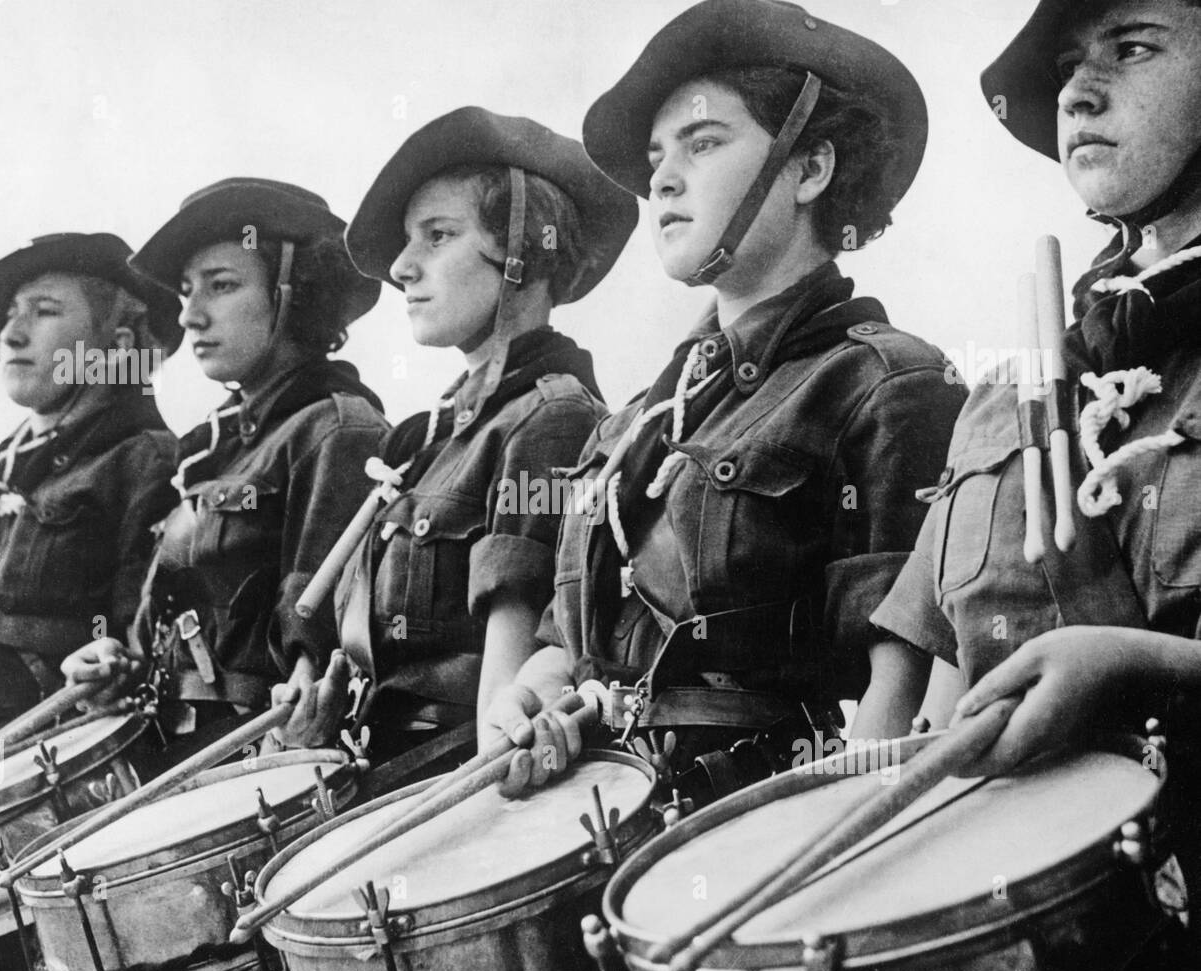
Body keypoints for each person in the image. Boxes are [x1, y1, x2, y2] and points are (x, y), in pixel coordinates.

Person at [481, 0, 966, 803]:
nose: (662, 178)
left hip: (765, 834)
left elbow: (901, 696)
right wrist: (526, 698)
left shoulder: (889, 385)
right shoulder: (635, 420)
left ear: (810, 169)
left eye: (703, 143)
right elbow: (565, 649)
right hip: (610, 817)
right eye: (655, 156)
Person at [864, 0, 1201, 944]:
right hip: (1008, 920)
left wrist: (1139, 665)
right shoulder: (1011, 386)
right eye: (1067, 65)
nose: (1080, 91)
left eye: (1133, 49)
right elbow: (916, 713)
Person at [326, 107, 637, 770]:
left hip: (450, 787)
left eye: (437, 235)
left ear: (526, 252)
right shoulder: (432, 440)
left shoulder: (549, 419)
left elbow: (506, 714)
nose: (403, 267)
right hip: (376, 773)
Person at [61, 179, 389, 765]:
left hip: (258, 762)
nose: (189, 315)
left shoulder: (338, 431)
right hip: (171, 743)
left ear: (294, 294)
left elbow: (323, 638)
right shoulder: (210, 449)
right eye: (187, 292)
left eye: (222, 285)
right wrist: (117, 660)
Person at [0, 232, 182, 744]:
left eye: (45, 311)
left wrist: (108, 666)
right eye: (12, 312)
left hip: (62, 757)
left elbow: (142, 645)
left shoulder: (147, 460)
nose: (11, 334)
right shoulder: (8, 469)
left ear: (117, 345)